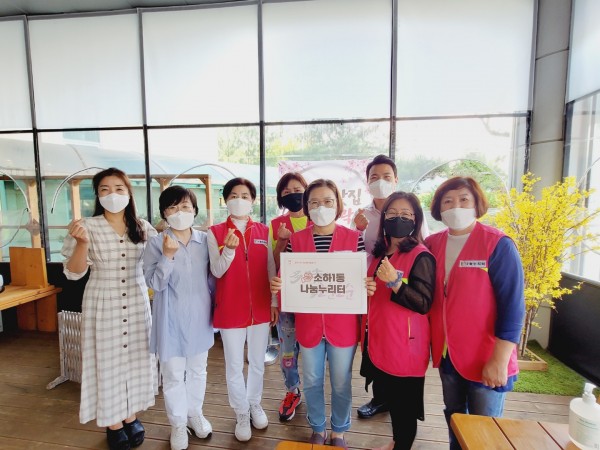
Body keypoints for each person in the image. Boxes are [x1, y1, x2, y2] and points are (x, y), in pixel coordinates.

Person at [270, 178, 377, 450]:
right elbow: (288, 277)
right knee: (312, 380)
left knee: (341, 382)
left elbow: (360, 279)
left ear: (338, 204)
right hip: (309, 326)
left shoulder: (354, 238)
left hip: (343, 326)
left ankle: (339, 430)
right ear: (307, 206)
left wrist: (367, 285)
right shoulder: (296, 240)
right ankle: (317, 426)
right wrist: (279, 284)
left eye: (328, 201)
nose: (321, 207)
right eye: (314, 202)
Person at [424, 177, 525, 450]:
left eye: (463, 199)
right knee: (455, 418)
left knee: (485, 430)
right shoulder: (432, 244)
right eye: (448, 201)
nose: (455, 206)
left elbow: (513, 307)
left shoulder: (497, 244)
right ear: (439, 209)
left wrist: (499, 360)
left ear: (477, 203)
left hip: (486, 358)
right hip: (447, 355)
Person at [61, 167, 157, 450]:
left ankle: (131, 415)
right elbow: (74, 273)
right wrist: (82, 243)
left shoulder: (142, 226)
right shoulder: (86, 226)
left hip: (137, 302)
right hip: (103, 300)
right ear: (97, 195)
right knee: (107, 361)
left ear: (129, 193)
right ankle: (113, 422)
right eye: (105, 189)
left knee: (137, 358)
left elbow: (158, 262)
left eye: (118, 189)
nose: (112, 194)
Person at [353, 154, 429, 419]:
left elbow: (422, 248)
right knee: (375, 345)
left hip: (399, 289)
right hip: (371, 290)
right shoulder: (362, 215)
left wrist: (397, 280)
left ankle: (400, 413)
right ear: (367, 182)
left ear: (396, 179)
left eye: (386, 176)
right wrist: (356, 230)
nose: (380, 181)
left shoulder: (410, 209)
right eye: (374, 177)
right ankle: (380, 399)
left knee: (399, 348)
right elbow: (354, 253)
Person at [361, 192, 436, 450]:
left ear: (416, 220)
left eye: (405, 214)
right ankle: (395, 442)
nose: (398, 218)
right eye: (392, 213)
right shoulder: (380, 252)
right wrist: (369, 287)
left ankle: (402, 445)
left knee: (405, 408)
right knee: (392, 400)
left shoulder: (421, 255)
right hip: (381, 340)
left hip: (405, 345)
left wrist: (395, 282)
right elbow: (376, 292)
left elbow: (423, 303)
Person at [143, 186, 214, 450]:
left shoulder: (205, 241)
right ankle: (178, 424)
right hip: (169, 319)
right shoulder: (155, 243)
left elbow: (214, 277)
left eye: (185, 206)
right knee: (173, 375)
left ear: (194, 210)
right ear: (164, 213)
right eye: (172, 207)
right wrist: (167, 257)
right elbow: (154, 284)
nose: (179, 212)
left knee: (198, 370)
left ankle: (195, 414)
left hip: (200, 316)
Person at [207, 177, 278, 442]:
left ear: (253, 200)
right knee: (234, 365)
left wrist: (273, 302)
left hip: (260, 306)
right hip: (230, 308)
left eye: (245, 196)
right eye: (234, 195)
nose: (239, 200)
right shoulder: (214, 232)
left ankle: (254, 403)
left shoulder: (263, 231)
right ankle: (240, 411)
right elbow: (216, 271)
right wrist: (229, 251)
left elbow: (270, 267)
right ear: (226, 200)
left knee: (257, 361)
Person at [269, 172, 309, 422]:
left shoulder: (319, 220)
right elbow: (272, 264)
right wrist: (281, 243)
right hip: (287, 300)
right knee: (287, 350)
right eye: (286, 192)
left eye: (297, 189)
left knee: (316, 350)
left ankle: (315, 391)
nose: (293, 195)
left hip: (315, 300)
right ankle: (292, 390)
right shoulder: (275, 225)